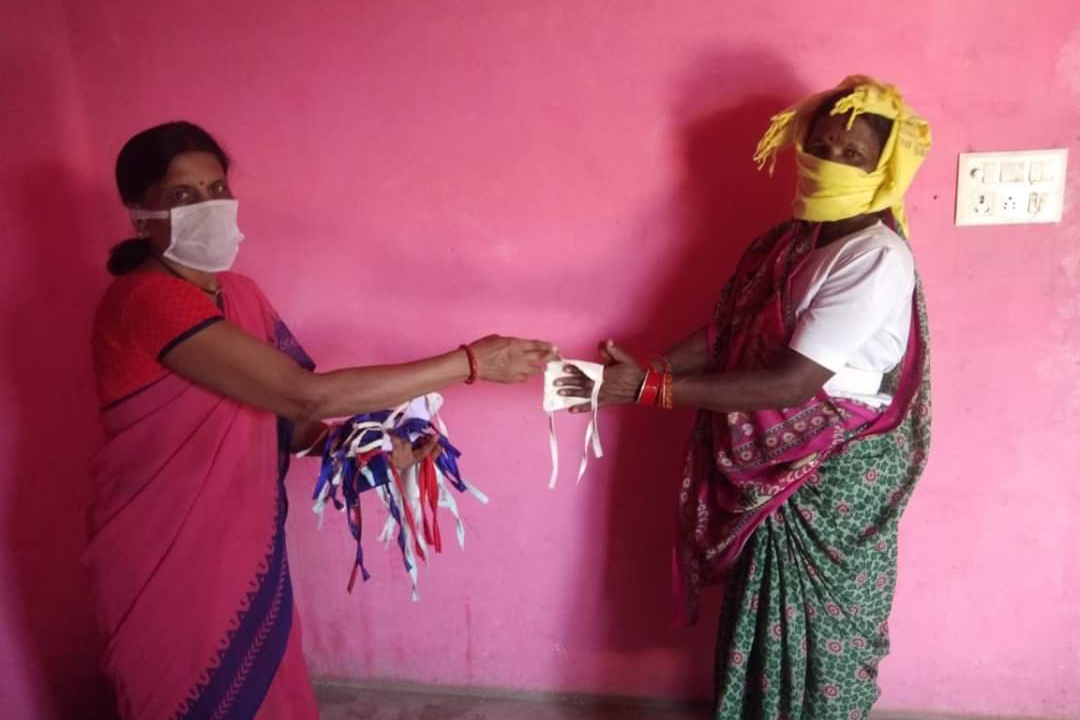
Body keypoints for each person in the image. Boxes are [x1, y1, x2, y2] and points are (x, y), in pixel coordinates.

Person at [85, 121, 557, 720]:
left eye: (215, 188)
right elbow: (306, 395)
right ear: (139, 215)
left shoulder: (241, 294)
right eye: (183, 196)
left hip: (243, 539)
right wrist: (469, 363)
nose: (209, 207)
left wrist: (378, 452)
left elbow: (293, 422)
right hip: (163, 549)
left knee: (264, 692)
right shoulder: (145, 300)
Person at [557, 76, 932, 719]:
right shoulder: (790, 244)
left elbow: (793, 381)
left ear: (884, 169)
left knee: (824, 633)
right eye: (821, 145)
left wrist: (650, 389)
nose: (830, 162)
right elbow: (730, 333)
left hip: (834, 477)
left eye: (852, 154)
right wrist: (646, 368)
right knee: (761, 614)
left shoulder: (875, 257)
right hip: (774, 466)